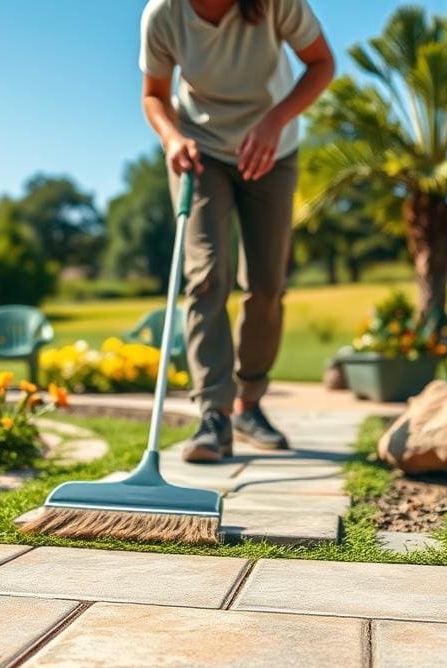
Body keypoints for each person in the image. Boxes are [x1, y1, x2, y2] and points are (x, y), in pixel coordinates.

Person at [139, 0, 334, 462]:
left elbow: (321, 64)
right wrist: (171, 137)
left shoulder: (275, 4)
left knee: (266, 284)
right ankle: (214, 415)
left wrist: (274, 120)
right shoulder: (163, 15)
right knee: (205, 274)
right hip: (199, 151)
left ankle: (249, 403)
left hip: (272, 150)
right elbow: (153, 95)